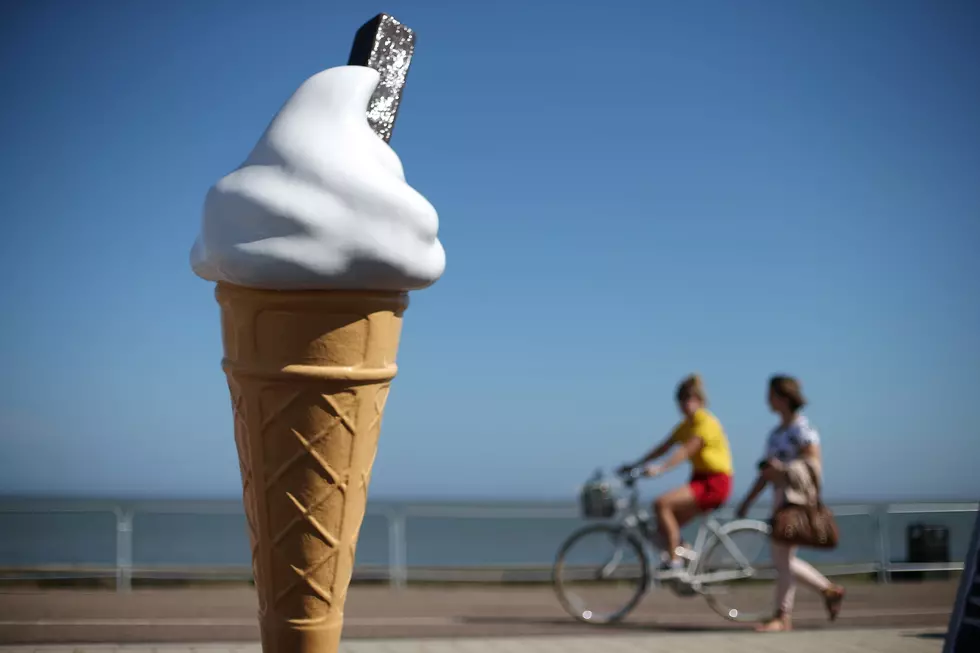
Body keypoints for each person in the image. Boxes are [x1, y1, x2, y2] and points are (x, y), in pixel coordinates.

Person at [735, 374, 845, 632]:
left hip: (796, 502)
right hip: (781, 501)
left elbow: (813, 468)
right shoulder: (777, 434)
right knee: (783, 559)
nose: (767, 400)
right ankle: (826, 591)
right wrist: (748, 501)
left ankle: (784, 616)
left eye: (771, 394)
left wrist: (782, 470)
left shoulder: (802, 431)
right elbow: (765, 476)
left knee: (781, 559)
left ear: (782, 398)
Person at [619, 374, 734, 576]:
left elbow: (685, 450)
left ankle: (674, 562)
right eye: (682, 400)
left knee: (661, 504)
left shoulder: (706, 423)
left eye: (690, 399)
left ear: (700, 400)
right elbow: (663, 447)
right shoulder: (685, 426)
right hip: (699, 479)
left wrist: (661, 469)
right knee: (663, 529)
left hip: (714, 482)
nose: (685, 405)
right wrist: (635, 464)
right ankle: (686, 554)